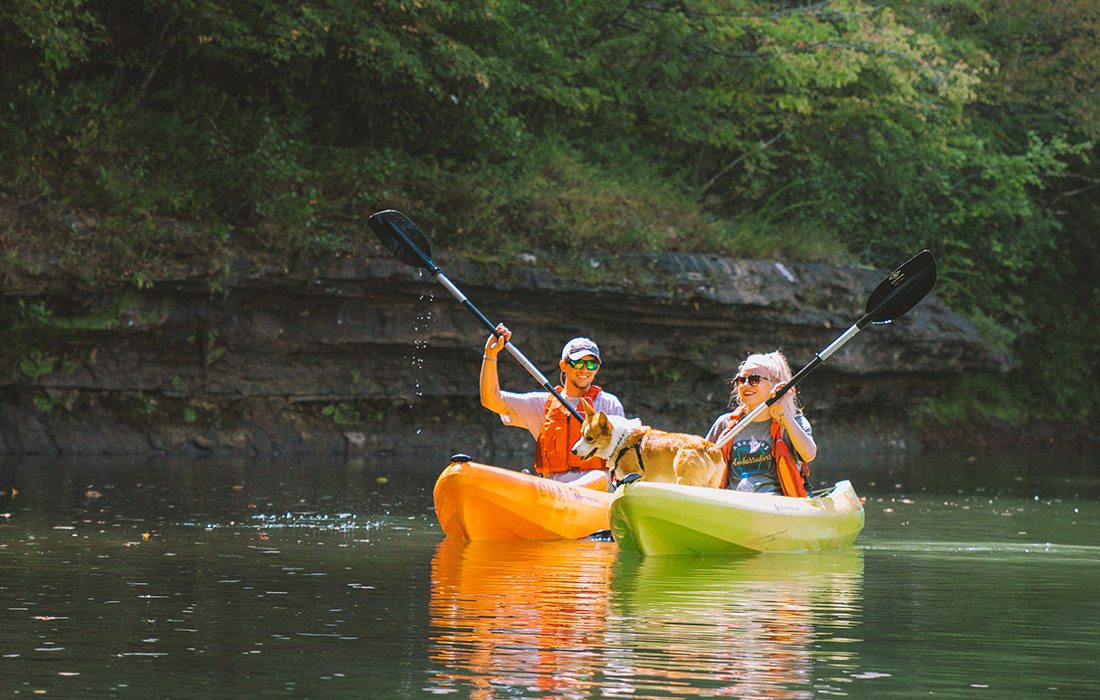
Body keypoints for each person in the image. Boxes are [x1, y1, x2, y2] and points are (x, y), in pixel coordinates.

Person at [480, 323, 624, 489]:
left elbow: (622, 454)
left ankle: (567, 492)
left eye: (591, 365)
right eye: (578, 363)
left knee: (599, 476)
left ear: (597, 369)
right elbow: (491, 400)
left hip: (597, 493)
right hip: (552, 492)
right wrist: (490, 355)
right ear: (563, 365)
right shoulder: (541, 404)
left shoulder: (609, 404)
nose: (585, 370)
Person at [704, 351, 817, 496]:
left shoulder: (792, 422)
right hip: (733, 501)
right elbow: (702, 462)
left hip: (777, 504)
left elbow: (809, 454)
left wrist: (785, 415)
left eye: (754, 379)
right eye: (741, 380)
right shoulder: (724, 423)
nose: (746, 385)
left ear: (774, 385)